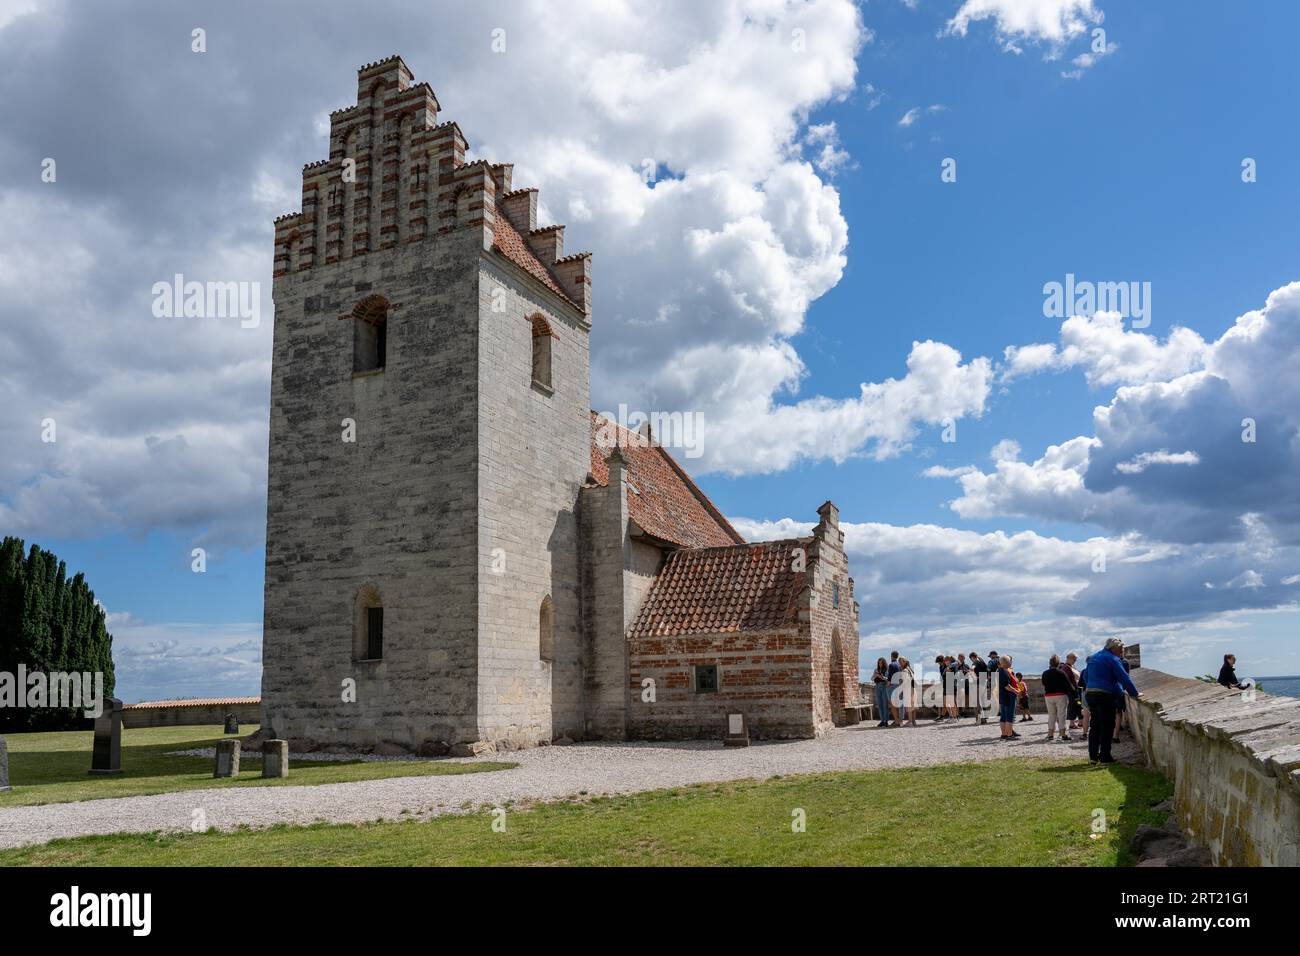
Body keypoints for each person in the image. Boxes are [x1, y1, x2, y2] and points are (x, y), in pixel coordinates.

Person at [1083, 638, 1141, 765]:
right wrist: (1134, 693)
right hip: (1105, 695)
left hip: (1091, 693)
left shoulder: (1094, 657)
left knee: (1095, 726)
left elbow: (1085, 676)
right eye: (1121, 650)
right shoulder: (1112, 659)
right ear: (1114, 648)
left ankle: (1093, 756)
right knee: (1108, 725)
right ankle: (1105, 757)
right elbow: (1123, 677)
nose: (1121, 652)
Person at [1041, 655, 1073, 741]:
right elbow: (1068, 685)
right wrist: (1074, 694)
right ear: (1058, 664)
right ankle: (1063, 733)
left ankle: (1050, 734)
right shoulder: (1061, 673)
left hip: (1049, 696)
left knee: (1051, 715)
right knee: (1061, 714)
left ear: (1049, 663)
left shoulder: (1045, 673)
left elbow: (1044, 683)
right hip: (1060, 695)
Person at [997, 656, 1021, 740]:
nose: (1011, 662)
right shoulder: (1004, 671)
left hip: (1002, 696)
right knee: (1009, 717)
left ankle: (1004, 734)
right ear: (1006, 662)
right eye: (1009, 661)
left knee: (1003, 716)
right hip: (1008, 697)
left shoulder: (999, 671)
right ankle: (1009, 735)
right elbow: (1006, 686)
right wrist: (1015, 691)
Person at [1062, 652, 1082, 730]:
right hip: (1072, 691)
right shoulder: (1066, 667)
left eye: (1075, 659)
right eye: (1074, 659)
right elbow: (1067, 680)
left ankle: (1080, 721)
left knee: (1079, 704)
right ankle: (1071, 723)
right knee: (1073, 705)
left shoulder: (1071, 666)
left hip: (1076, 690)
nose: (1075, 660)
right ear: (1069, 658)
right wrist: (1073, 689)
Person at [970, 651, 990, 724]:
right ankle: (984, 719)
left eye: (971, 659)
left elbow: (972, 668)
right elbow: (987, 672)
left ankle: (978, 720)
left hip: (977, 685)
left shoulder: (976, 662)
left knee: (977, 703)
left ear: (972, 658)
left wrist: (972, 673)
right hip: (983, 684)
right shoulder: (982, 661)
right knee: (982, 702)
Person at [897, 656, 918, 727]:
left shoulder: (904, 671)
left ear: (904, 661)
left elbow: (905, 681)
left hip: (908, 689)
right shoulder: (910, 669)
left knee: (909, 706)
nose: (899, 663)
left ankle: (910, 721)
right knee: (913, 706)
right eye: (899, 662)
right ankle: (913, 721)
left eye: (900, 661)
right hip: (912, 689)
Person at [871, 657, 891, 727]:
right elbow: (872, 678)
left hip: (884, 686)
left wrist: (882, 677)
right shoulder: (876, 670)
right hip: (877, 686)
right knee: (880, 704)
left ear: (884, 663)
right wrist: (875, 675)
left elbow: (888, 679)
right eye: (879, 663)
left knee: (885, 704)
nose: (880, 664)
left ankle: (886, 721)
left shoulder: (887, 670)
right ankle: (882, 720)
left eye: (881, 663)